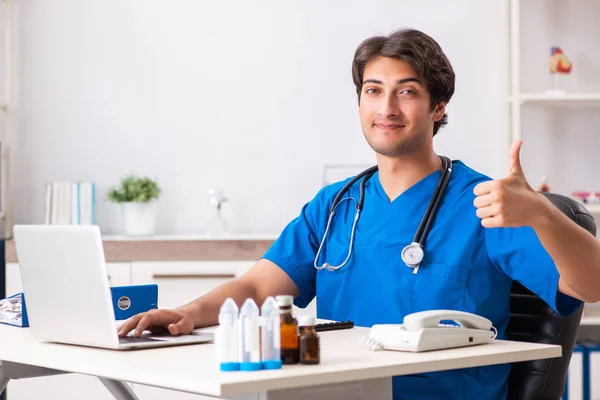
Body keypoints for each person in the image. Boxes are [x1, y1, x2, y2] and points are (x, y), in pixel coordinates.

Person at [117, 28, 600, 399]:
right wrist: (184, 314)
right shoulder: (334, 205)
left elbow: (591, 286)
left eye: (407, 91)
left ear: (438, 107)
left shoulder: (484, 203)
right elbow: (256, 288)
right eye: (373, 90)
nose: (386, 107)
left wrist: (540, 212)